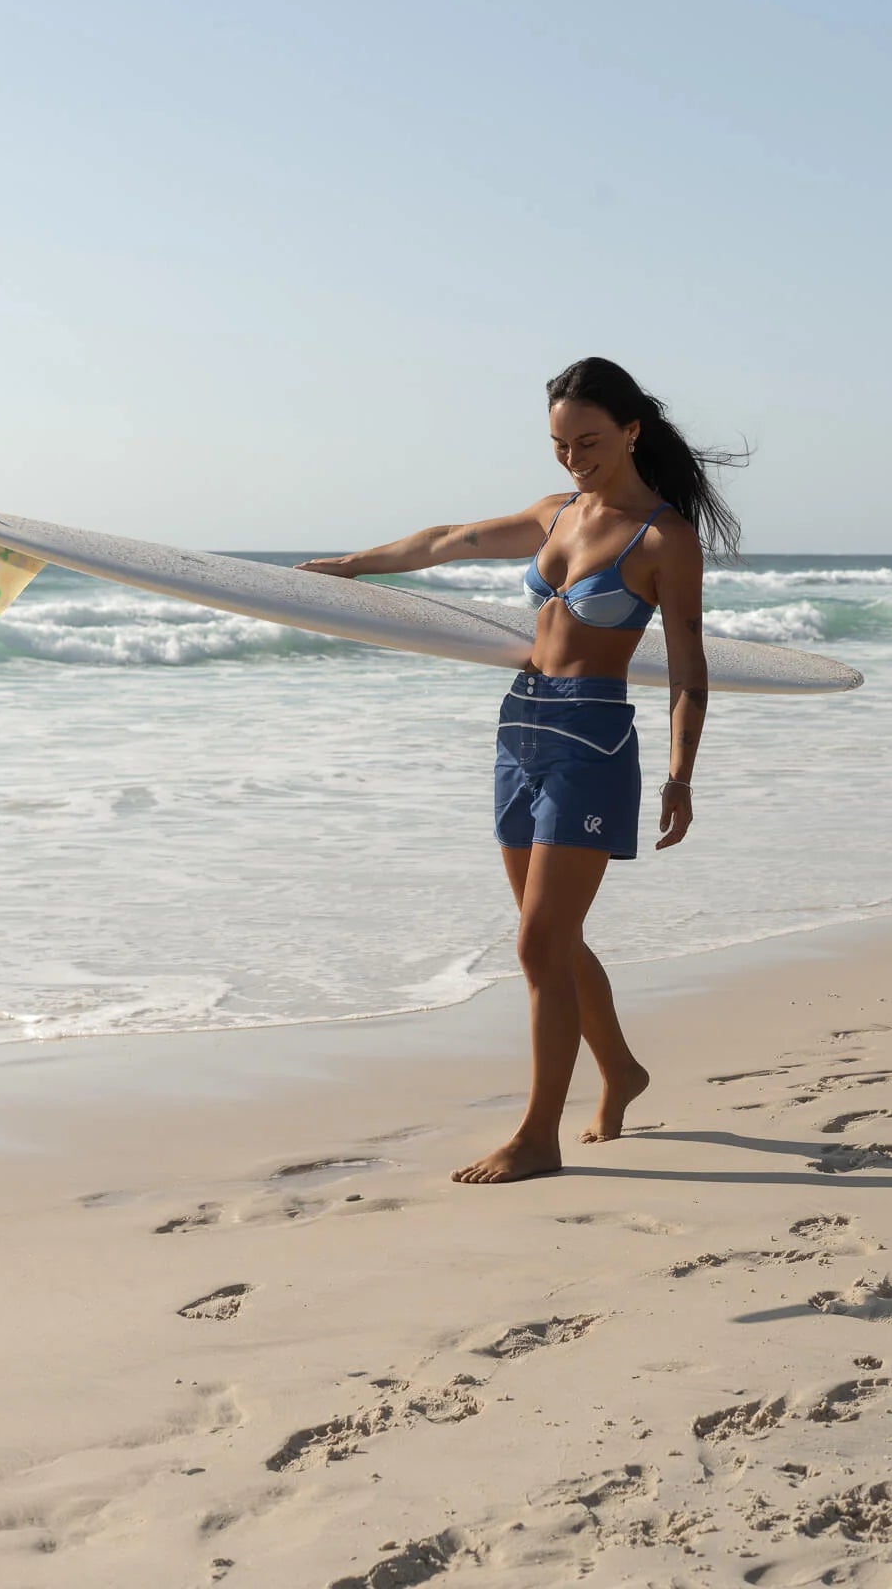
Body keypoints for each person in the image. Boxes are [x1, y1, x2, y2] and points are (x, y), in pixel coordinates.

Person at [297, 358, 743, 1184]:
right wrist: (351, 566)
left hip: (593, 742)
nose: (574, 458)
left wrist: (682, 776)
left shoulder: (663, 538)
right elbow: (444, 542)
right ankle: (622, 1072)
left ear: (632, 431)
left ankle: (538, 1137)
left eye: (590, 441)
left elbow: (688, 666)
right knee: (557, 943)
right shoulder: (555, 515)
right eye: (559, 444)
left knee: (538, 943)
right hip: (520, 733)